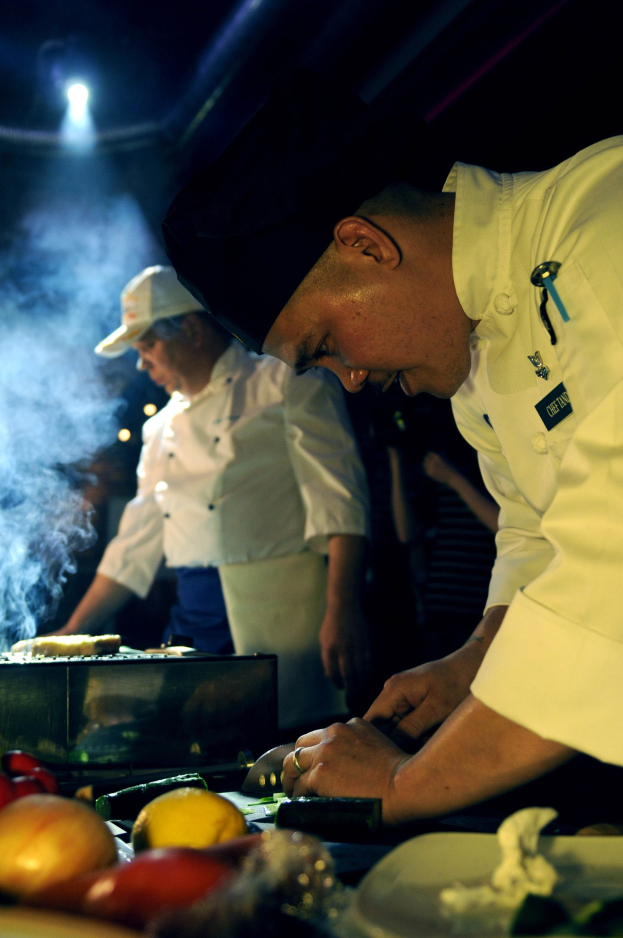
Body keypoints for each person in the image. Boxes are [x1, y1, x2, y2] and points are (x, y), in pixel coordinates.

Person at [161, 67, 623, 822]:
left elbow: (611, 573)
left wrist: (404, 785)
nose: (348, 380)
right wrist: (472, 664)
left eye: (325, 343)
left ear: (365, 246)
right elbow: (537, 538)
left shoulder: (600, 220)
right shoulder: (472, 361)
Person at [55, 265, 370, 730]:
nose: (142, 363)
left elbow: (339, 498)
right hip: (195, 616)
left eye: (147, 346)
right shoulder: (158, 428)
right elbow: (133, 548)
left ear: (192, 328)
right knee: (196, 749)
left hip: (281, 611)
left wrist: (343, 608)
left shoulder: (285, 382)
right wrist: (70, 635)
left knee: (283, 753)